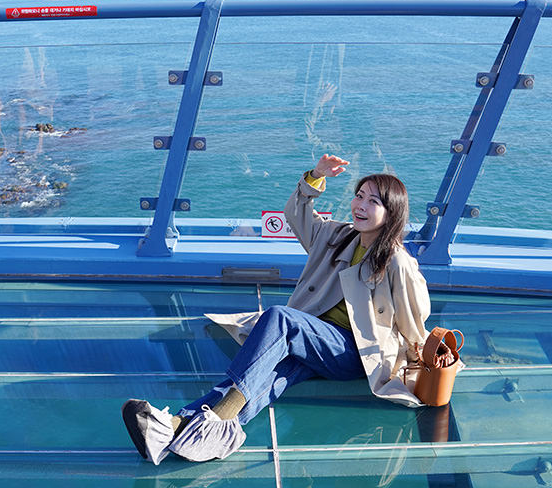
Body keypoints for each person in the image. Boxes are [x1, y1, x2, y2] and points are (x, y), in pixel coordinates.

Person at [122, 153, 431, 464]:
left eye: (373, 202)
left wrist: (421, 359)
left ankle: (213, 419)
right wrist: (315, 177)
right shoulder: (339, 236)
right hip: (313, 342)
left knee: (280, 319)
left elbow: (414, 318)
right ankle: (179, 429)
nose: (360, 206)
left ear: (392, 213)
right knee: (268, 375)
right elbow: (297, 216)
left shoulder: (397, 261)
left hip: (352, 353)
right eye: (359, 196)